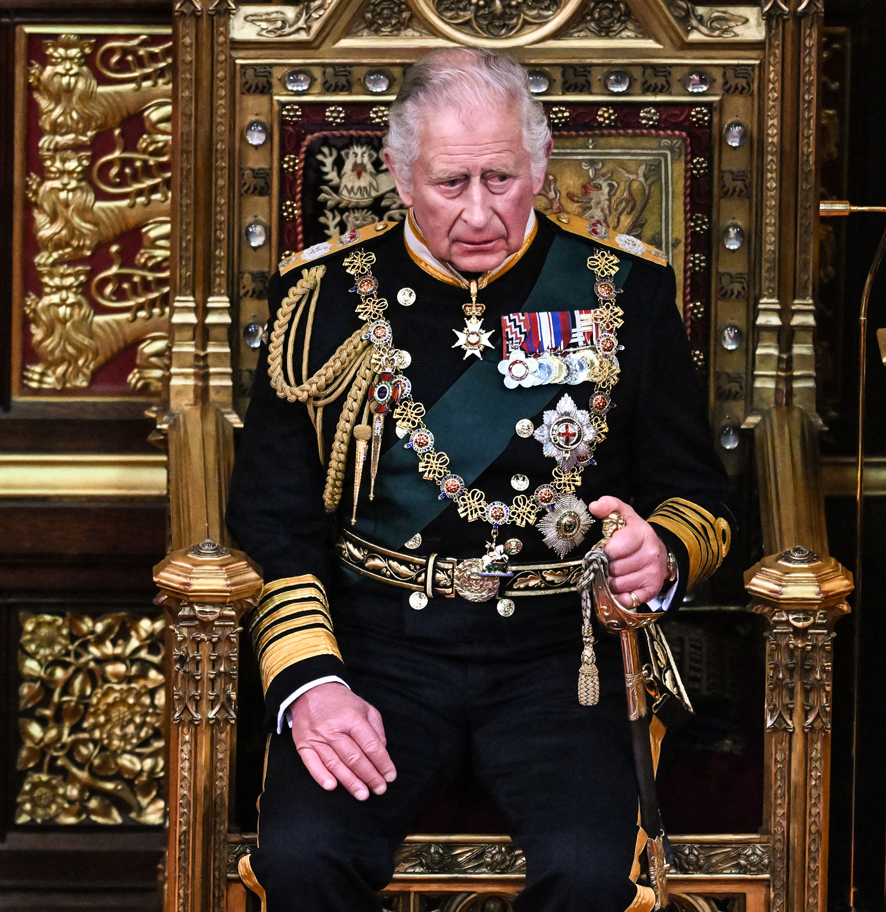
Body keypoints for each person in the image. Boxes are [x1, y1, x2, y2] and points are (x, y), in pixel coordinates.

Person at [227, 48, 734, 912]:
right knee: (306, 857)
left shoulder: (626, 293)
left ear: (540, 166)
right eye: (448, 182)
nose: (476, 213)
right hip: (375, 652)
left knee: (587, 871)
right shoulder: (322, 301)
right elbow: (272, 519)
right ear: (397, 172)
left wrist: (662, 552)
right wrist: (314, 684)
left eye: (501, 178)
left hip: (560, 661)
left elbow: (699, 496)